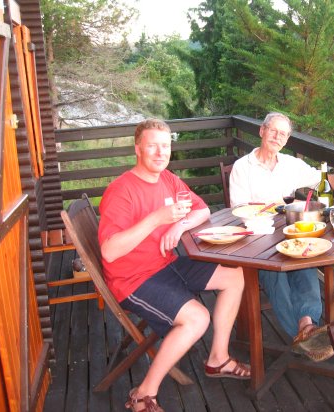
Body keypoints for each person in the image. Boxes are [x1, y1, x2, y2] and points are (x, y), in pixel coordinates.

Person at [98, 119, 250, 412]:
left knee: (235, 276)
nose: (159, 152)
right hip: (133, 279)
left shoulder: (167, 178)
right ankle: (143, 394)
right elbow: (110, 251)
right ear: (137, 148)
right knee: (197, 318)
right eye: (152, 145)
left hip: (166, 263)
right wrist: (157, 218)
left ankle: (217, 358)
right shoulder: (122, 190)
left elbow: (202, 210)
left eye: (165, 146)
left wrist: (178, 227)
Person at [229, 112, 334, 362]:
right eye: (273, 131)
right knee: (275, 274)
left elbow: (324, 179)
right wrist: (276, 205)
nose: (277, 137)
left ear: (286, 139)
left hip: (289, 231)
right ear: (262, 131)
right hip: (258, 237)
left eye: (283, 134)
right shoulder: (243, 167)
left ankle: (307, 325)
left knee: (305, 263)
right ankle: (300, 330)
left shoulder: (290, 165)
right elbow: (239, 209)